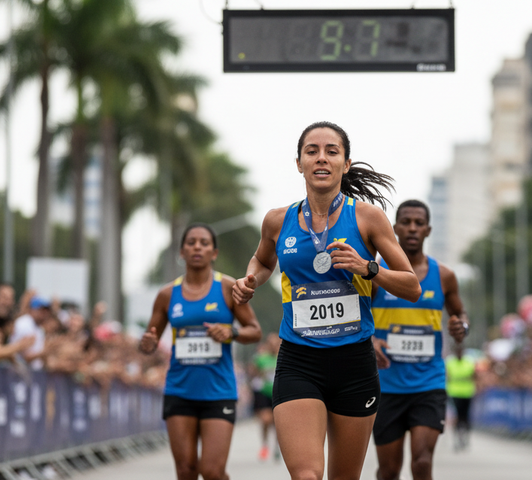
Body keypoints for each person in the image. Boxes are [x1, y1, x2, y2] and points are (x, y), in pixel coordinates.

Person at [232, 121, 422, 480]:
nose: (321, 158)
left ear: (345, 164)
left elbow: (411, 286)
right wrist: (250, 279)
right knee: (306, 475)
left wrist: (367, 268)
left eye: (331, 151)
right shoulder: (277, 220)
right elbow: (262, 260)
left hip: (354, 363)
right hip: (299, 360)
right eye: (312, 151)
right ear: (299, 163)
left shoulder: (367, 218)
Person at [140, 223, 262, 480]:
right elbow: (150, 341)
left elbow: (254, 330)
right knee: (185, 471)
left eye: (204, 243)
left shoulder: (228, 288)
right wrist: (147, 344)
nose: (197, 247)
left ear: (214, 253)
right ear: (181, 252)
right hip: (179, 391)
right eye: (191, 242)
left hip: (218, 392)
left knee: (212, 472)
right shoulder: (166, 295)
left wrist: (232, 332)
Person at [371, 199, 468, 480]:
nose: (412, 228)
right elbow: (358, 318)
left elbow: (460, 313)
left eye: (419, 223)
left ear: (428, 230)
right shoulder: (377, 274)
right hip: (386, 385)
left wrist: (461, 325)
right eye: (406, 222)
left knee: (422, 462)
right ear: (394, 228)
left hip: (428, 383)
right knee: (388, 470)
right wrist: (371, 342)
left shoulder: (445, 276)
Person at [249, 332, 281, 461]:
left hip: (279, 393)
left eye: (276, 343)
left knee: (278, 423)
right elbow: (253, 372)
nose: (273, 346)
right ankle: (265, 444)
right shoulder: (261, 358)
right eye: (271, 344)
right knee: (266, 420)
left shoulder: (283, 357)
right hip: (264, 393)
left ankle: (277, 446)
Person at [445, 342, 476, 451]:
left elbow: (474, 376)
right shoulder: (450, 362)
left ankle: (466, 438)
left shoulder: (469, 362)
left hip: (467, 393)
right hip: (454, 393)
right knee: (456, 417)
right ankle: (457, 439)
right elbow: (447, 376)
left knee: (466, 417)